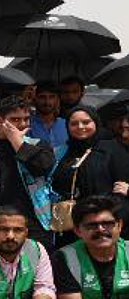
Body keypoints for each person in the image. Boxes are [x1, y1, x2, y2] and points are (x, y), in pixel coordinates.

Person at [50, 105, 129, 247]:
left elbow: (121, 188)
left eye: (86, 122)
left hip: (104, 225)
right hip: (72, 227)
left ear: (96, 123)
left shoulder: (111, 148)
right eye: (74, 123)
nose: (80, 127)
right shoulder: (63, 153)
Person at [0, 96, 58, 251]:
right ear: (0, 120)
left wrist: (18, 143)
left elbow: (43, 167)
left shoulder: (38, 144)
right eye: (15, 119)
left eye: (26, 119)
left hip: (33, 220)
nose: (23, 124)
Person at [29, 82, 68, 148]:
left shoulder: (67, 124)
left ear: (57, 99)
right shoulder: (26, 125)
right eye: (42, 97)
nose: (47, 102)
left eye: (51, 97)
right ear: (34, 99)